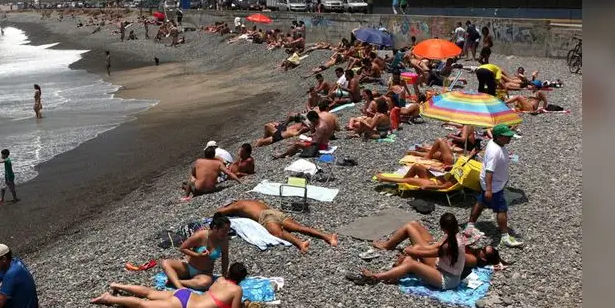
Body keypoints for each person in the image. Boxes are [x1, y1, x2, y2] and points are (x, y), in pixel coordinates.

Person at [347, 213, 501, 288]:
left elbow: (429, 253)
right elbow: (432, 250)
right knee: (410, 257)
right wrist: (414, 250)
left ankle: (376, 277)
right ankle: (393, 275)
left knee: (410, 262)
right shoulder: (454, 239)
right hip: (440, 267)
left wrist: (411, 250)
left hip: (447, 279)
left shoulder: (453, 244)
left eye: (483, 251)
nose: (479, 249)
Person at [92, 262, 249, 308]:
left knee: (150, 293)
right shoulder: (237, 290)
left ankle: (118, 285)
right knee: (143, 304)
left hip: (186, 294)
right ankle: (109, 299)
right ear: (241, 278)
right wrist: (245, 305)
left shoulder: (220, 280)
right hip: (185, 306)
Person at [467, 124, 523, 247]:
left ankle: (470, 225)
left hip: (492, 183)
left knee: (481, 202)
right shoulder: (494, 151)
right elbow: (489, 171)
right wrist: (489, 189)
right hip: (493, 185)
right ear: (498, 137)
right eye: (506, 136)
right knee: (502, 209)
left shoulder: (496, 143)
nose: (510, 138)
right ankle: (505, 236)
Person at [215, 199, 338, 252]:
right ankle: (327, 236)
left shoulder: (238, 205)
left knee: (277, 233)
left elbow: (219, 212)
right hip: (275, 212)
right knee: (300, 227)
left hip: (265, 216)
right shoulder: (251, 201)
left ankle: (300, 243)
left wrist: (224, 210)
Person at [160, 214, 231, 291]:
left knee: (205, 283)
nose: (226, 233)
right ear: (215, 228)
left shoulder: (224, 241)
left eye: (228, 230)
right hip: (188, 267)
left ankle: (177, 282)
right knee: (165, 263)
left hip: (204, 273)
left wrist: (224, 276)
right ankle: (180, 287)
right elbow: (183, 248)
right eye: (224, 230)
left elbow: (225, 258)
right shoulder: (201, 235)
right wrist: (197, 255)